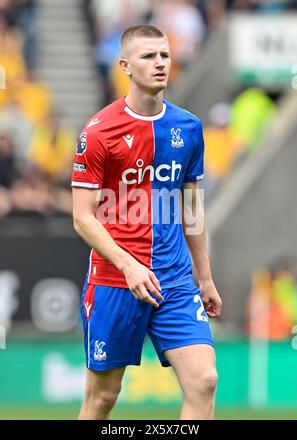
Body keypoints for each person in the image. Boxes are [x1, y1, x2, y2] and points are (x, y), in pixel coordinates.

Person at [71, 24, 222, 420]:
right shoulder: (99, 131)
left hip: (173, 279)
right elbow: (82, 217)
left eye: (165, 55)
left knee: (204, 380)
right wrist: (127, 264)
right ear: (125, 65)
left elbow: (191, 208)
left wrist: (203, 277)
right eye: (148, 56)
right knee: (103, 397)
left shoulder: (188, 127)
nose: (160, 64)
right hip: (116, 280)